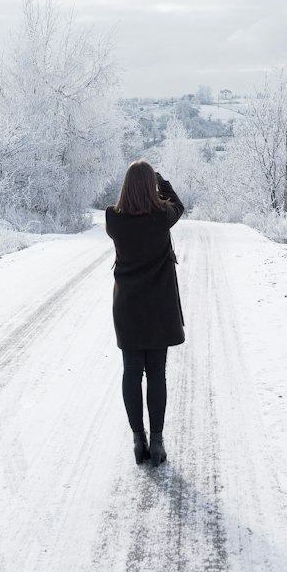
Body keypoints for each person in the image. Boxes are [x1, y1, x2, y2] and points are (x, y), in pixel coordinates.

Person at [105, 160, 185, 467]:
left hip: (128, 308)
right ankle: (158, 442)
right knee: (156, 375)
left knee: (131, 372)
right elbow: (178, 204)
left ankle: (138, 440)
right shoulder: (161, 218)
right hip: (159, 309)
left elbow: (122, 206)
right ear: (151, 186)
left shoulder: (114, 219)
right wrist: (162, 182)